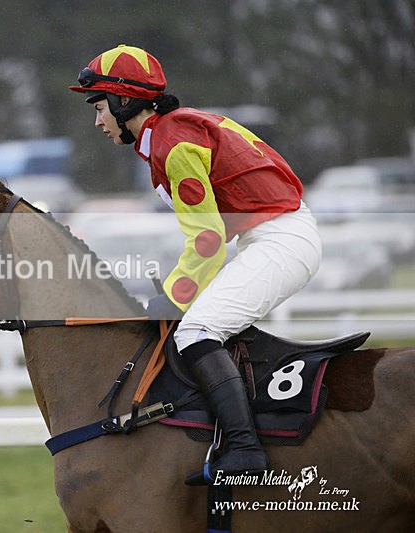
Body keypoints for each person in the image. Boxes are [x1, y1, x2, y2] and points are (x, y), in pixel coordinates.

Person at [69, 44, 322, 484]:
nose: (97, 122)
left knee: (196, 332)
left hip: (280, 240)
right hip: (269, 238)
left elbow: (207, 241)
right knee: (203, 326)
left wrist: (171, 297)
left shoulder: (173, 142)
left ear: (124, 101)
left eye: (99, 107)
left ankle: (245, 450)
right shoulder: (168, 135)